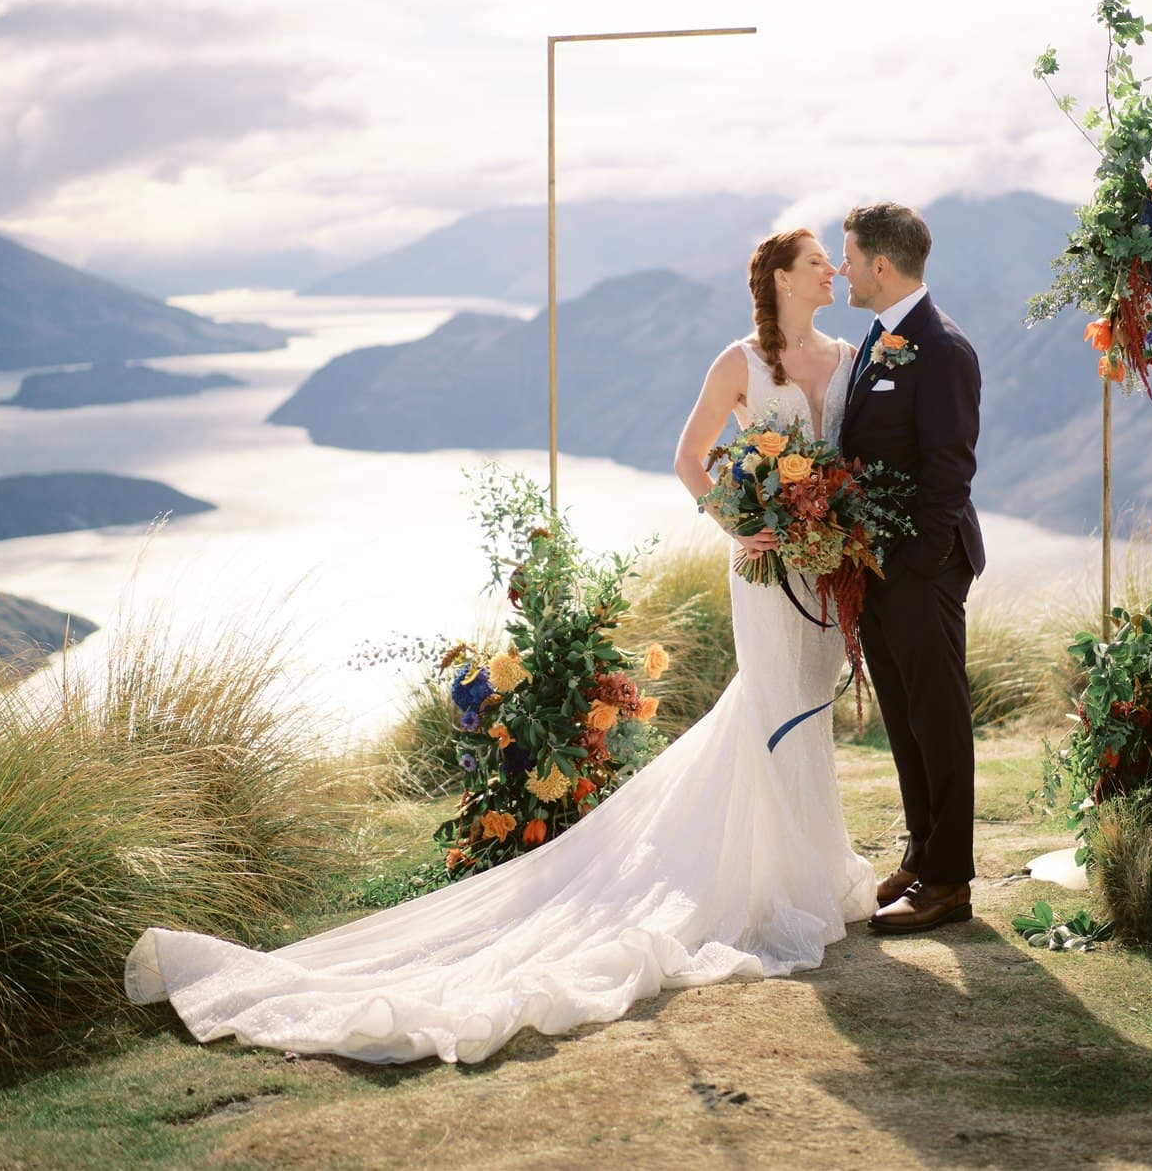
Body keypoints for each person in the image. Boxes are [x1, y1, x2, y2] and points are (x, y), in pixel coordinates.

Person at [124, 227, 875, 1065]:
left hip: (826, 568)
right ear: (779, 277)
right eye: (817, 261)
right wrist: (743, 520)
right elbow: (689, 458)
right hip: (766, 570)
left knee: (806, 713)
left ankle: (812, 860)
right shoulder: (739, 362)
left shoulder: (847, 357)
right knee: (771, 706)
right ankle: (775, 882)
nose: (832, 270)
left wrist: (832, 519)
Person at [835, 201, 985, 933]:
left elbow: (950, 471)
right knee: (903, 717)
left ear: (882, 267)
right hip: (880, 569)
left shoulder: (944, 348)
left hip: (923, 568)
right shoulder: (876, 339)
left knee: (939, 716)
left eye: (851, 257)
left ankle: (951, 880)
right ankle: (923, 852)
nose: (843, 269)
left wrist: (914, 565)